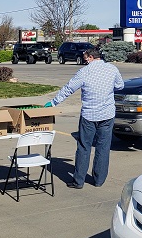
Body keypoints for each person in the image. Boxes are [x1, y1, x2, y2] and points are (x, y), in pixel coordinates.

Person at [46, 47, 124, 189]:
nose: (84, 60)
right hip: (107, 114)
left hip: (89, 115)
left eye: (85, 57)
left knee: (84, 147)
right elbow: (120, 85)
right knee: (103, 147)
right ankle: (99, 180)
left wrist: (53, 102)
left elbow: (69, 88)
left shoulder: (84, 72)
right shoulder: (112, 69)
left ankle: (79, 181)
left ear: (90, 57)